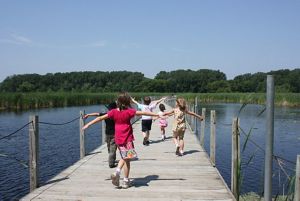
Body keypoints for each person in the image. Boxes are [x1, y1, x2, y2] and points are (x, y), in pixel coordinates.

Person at [82, 92, 159, 189]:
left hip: (118, 138)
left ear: (117, 102)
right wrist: (156, 114)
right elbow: (144, 113)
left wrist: (89, 124)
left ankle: (121, 176)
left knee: (125, 157)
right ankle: (122, 177)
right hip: (127, 138)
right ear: (127, 102)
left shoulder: (113, 112)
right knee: (127, 158)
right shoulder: (129, 111)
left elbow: (101, 117)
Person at [84, 102, 117, 168]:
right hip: (115, 134)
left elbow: (97, 114)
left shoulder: (106, 114)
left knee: (110, 148)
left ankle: (112, 159)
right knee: (112, 149)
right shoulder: (116, 115)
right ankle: (111, 163)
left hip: (107, 134)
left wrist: (88, 114)